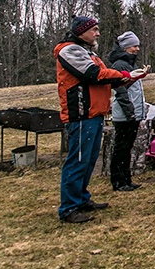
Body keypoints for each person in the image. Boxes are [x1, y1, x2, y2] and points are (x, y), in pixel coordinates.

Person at [55, 16, 145, 224]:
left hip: (95, 113)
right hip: (80, 114)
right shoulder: (68, 50)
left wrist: (128, 77)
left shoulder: (89, 52)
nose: (97, 33)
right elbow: (94, 74)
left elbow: (105, 79)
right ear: (81, 31)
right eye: (94, 29)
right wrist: (125, 74)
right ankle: (68, 208)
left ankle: (82, 199)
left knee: (88, 160)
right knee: (77, 161)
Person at [108, 31, 150, 192]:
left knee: (127, 148)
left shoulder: (130, 64)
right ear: (125, 47)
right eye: (134, 46)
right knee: (121, 148)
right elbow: (121, 92)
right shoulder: (120, 65)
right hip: (125, 115)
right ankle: (118, 181)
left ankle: (126, 179)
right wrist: (130, 112)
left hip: (132, 114)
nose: (137, 49)